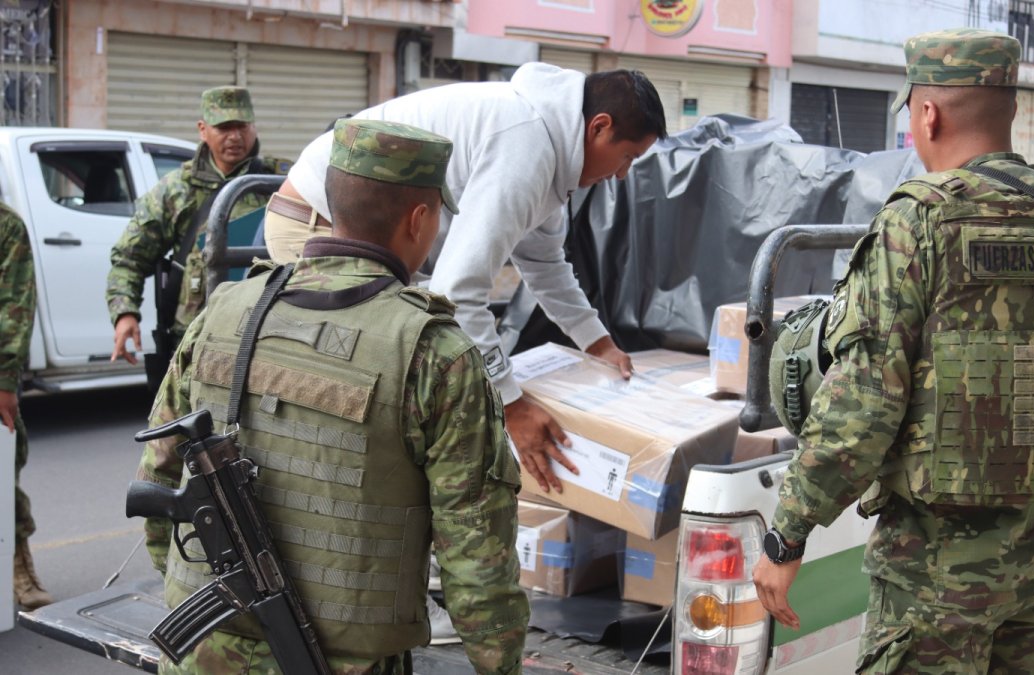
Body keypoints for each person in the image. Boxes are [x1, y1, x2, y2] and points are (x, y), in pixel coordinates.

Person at [753, 28, 1034, 674]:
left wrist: (788, 532)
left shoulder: (918, 222)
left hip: (934, 579)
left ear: (928, 114)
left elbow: (863, 402)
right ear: (1008, 109)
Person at [134, 118, 527, 674]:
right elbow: (476, 557)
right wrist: (500, 664)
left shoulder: (222, 309)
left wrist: (189, 573)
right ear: (420, 219)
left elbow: (158, 469)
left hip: (204, 651)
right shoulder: (435, 354)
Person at [262, 64, 667, 495]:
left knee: (409, 371)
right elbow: (458, 290)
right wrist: (511, 407)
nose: (622, 174)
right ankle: (325, 501)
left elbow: (545, 264)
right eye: (628, 157)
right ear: (599, 127)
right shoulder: (527, 145)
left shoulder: (553, 154)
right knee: (367, 383)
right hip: (319, 223)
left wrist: (597, 342)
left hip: (373, 235)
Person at [107, 86, 290, 380]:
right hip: (194, 337)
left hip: (263, 333)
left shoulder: (279, 182)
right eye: (224, 127)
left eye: (242, 126)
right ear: (203, 130)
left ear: (254, 127)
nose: (235, 137)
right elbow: (129, 257)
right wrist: (125, 313)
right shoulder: (176, 189)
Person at [0, 205, 49, 610]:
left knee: (2, 476)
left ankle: (19, 566)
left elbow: (16, 305)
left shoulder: (5, 225)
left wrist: (4, 380)